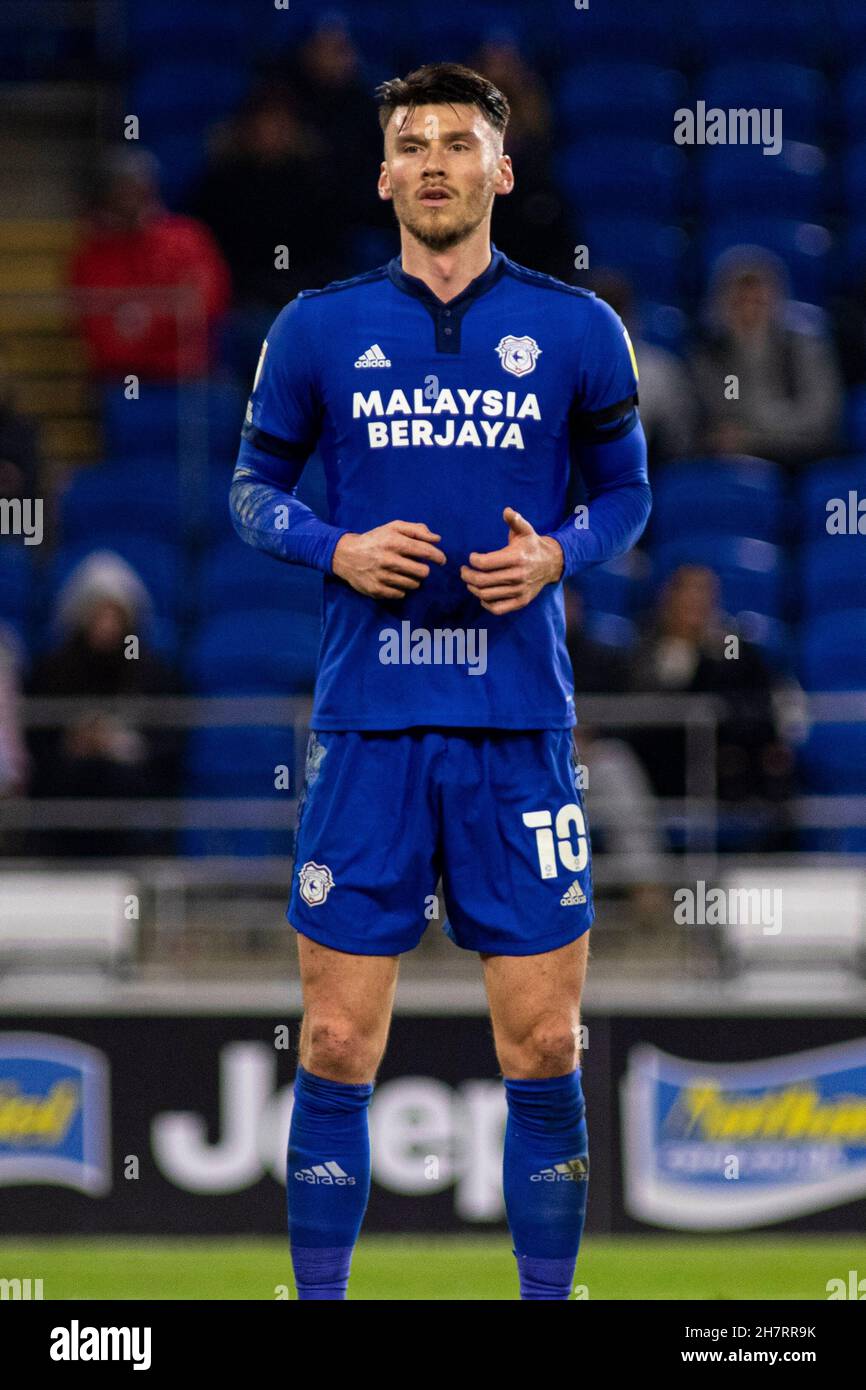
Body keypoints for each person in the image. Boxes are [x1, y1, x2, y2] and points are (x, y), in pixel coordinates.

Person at [230, 62, 650, 1301]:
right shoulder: (316, 325)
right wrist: (335, 546)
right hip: (367, 727)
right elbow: (251, 493)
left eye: (456, 142)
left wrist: (556, 554)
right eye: (408, 142)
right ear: (380, 174)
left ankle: (545, 1299)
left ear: (497, 170)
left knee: (539, 1043)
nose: (430, 160)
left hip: (517, 725)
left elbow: (626, 495)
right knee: (341, 1039)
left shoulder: (577, 329)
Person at [27, 551, 182, 856]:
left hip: (130, 782)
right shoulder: (54, 669)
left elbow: (169, 741)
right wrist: (74, 741)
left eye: (113, 615)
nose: (106, 625)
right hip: (69, 781)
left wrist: (123, 744)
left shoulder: (150, 671)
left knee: (118, 780)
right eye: (98, 615)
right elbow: (38, 738)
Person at [624, 565, 795, 842]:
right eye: (687, 593)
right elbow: (639, 719)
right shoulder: (645, 651)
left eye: (703, 593)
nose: (695, 602)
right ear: (668, 599)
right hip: (663, 770)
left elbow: (762, 708)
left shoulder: (735, 649)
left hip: (731, 769)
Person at [69, 148, 231, 381]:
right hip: (119, 376)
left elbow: (207, 304)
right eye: (120, 189)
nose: (128, 197)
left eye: (135, 187)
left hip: (187, 375)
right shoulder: (90, 253)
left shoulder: (188, 238)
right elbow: (95, 326)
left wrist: (147, 326)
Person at [689, 246, 842, 465]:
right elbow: (727, 409)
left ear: (776, 302)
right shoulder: (714, 355)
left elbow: (818, 419)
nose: (749, 313)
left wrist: (757, 436)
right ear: (722, 305)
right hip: (739, 459)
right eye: (739, 303)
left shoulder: (804, 349)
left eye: (758, 302)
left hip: (801, 457)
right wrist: (741, 351)